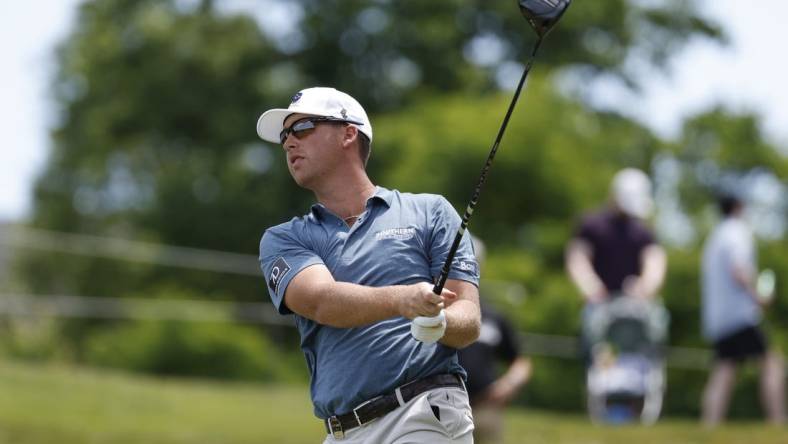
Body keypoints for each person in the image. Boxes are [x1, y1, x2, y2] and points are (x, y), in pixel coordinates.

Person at [256, 87, 482, 443]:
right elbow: (321, 301)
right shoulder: (284, 239)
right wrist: (403, 300)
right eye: (285, 135)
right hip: (343, 431)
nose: (288, 143)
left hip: (424, 411)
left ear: (348, 133)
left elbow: (468, 320)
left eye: (302, 128)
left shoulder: (430, 212)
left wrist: (438, 321)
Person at [700, 194, 785, 427]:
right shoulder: (737, 232)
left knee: (724, 368)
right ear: (738, 207)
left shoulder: (715, 236)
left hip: (719, 317)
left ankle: (710, 423)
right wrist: (757, 295)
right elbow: (738, 269)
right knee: (771, 362)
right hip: (740, 315)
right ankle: (777, 419)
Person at [458, 237, 531, 444]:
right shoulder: (436, 308)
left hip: (485, 408)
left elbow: (520, 361)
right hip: (442, 405)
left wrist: (508, 384)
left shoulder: (493, 317)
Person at [565, 168, 667, 306]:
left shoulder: (643, 232)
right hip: (599, 306)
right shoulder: (592, 225)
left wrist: (644, 287)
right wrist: (590, 286)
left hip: (635, 305)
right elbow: (578, 259)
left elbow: (654, 262)